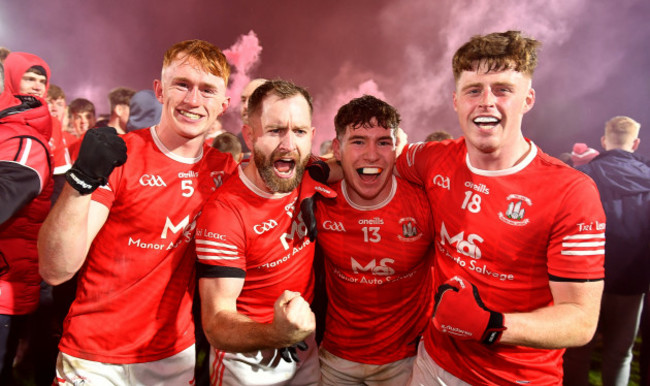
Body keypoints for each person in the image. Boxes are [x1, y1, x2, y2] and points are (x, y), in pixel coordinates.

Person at [393, 30, 606, 385]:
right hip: (431, 364)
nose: (486, 102)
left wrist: (492, 325)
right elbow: (379, 159)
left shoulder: (571, 192)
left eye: (503, 89)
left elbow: (581, 319)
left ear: (528, 99)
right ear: (456, 101)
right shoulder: (432, 158)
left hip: (515, 379)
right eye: (473, 90)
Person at [37, 39, 237, 385]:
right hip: (94, 355)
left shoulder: (226, 171)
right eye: (182, 85)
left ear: (224, 104)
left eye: (207, 90)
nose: (193, 100)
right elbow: (56, 270)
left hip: (172, 355)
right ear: (160, 90)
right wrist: (81, 180)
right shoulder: (122, 155)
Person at [195, 79, 335, 386]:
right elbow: (216, 322)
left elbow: (355, 164)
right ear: (249, 135)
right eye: (275, 131)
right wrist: (275, 333)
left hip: (305, 353)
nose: (288, 144)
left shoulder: (308, 170)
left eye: (298, 131)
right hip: (246, 364)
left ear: (311, 137)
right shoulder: (224, 212)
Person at [314, 95, 434, 385]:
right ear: (337, 150)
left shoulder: (425, 198)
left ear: (397, 149)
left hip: (406, 359)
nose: (371, 155)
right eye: (357, 141)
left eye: (383, 142)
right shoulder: (317, 196)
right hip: (336, 356)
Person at [563, 116, 650, 386]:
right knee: (620, 355)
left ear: (603, 141)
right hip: (632, 281)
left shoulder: (584, 175)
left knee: (577, 351)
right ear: (635, 143)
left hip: (587, 277)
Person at [0, 59, 54, 385]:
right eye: (28, 78)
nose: (35, 86)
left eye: (40, 80)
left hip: (6, 290)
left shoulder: (26, 141)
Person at [236, 78, 267, 159]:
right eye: (243, 100)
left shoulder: (289, 140)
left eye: (252, 99)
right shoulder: (234, 144)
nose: (246, 106)